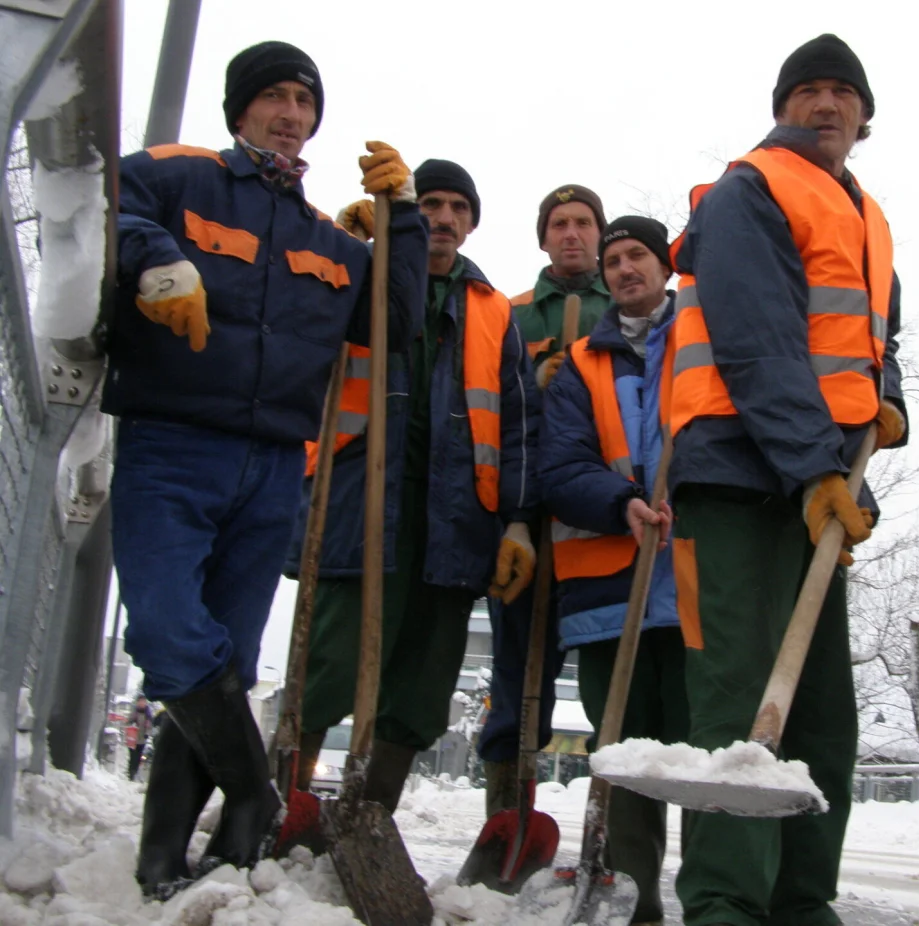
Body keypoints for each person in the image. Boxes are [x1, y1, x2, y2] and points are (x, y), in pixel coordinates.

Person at [110, 39, 428, 897]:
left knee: (231, 657)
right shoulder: (183, 175)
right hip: (170, 444)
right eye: (275, 98)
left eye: (304, 102)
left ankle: (159, 860)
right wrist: (154, 257)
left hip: (274, 466)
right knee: (171, 636)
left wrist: (398, 216)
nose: (291, 116)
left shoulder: (326, 236)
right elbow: (111, 201)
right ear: (240, 108)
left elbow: (393, 322)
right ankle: (251, 796)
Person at [665, 33, 908, 926]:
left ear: (863, 117)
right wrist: (814, 467)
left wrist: (889, 407)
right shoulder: (750, 188)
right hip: (735, 474)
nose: (826, 104)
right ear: (781, 108)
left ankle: (803, 899)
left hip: (820, 487)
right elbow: (757, 337)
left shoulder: (866, 215)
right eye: (807, 90)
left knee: (818, 712)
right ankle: (726, 901)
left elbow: (874, 340)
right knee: (736, 698)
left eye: (843, 92)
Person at [292, 159, 539, 816]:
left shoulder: (492, 311)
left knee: (421, 684)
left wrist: (514, 520)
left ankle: (366, 818)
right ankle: (278, 802)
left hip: (454, 523)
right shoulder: (362, 280)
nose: (443, 218)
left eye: (458, 207)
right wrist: (350, 254)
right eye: (429, 203)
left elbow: (515, 423)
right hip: (359, 507)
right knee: (328, 665)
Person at [541, 216, 684, 925]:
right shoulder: (580, 364)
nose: (626, 269)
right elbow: (559, 466)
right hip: (608, 592)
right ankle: (636, 897)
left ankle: (721, 891)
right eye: (614, 260)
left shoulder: (708, 336)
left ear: (664, 266)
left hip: (693, 590)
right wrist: (621, 500)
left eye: (638, 256)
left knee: (709, 754)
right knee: (622, 753)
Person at [477, 184, 611, 816]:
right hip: (527, 523)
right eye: (559, 223)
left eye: (584, 222)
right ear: (543, 237)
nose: (572, 233)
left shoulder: (630, 310)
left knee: (613, 680)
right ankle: (507, 813)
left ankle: (613, 821)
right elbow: (493, 412)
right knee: (516, 679)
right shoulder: (513, 315)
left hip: (606, 525)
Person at [126, 695, 155, 781]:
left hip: (142, 739)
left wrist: (147, 733)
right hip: (133, 739)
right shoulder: (134, 712)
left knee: (139, 757)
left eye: (143, 701)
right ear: (138, 702)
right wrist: (131, 724)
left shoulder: (148, 713)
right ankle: (131, 773)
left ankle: (135, 771)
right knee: (132, 756)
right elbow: (128, 721)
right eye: (140, 701)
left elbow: (149, 726)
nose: (142, 703)